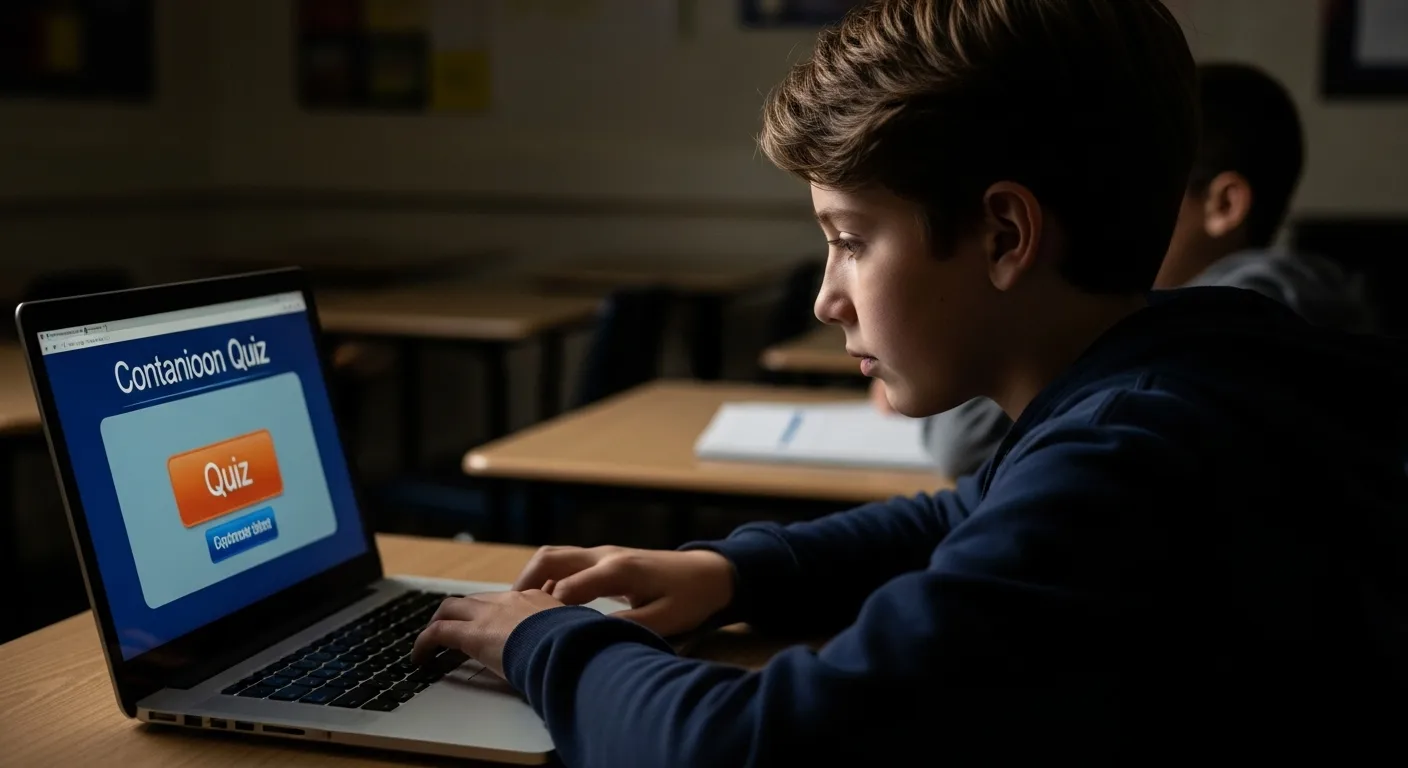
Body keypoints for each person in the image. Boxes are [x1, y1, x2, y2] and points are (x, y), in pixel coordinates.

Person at [411, 1, 1408, 764]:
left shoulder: (1126, 463)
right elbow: (960, 513)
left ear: (1005, 235)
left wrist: (545, 642)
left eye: (848, 240)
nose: (826, 298)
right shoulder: (1198, 357)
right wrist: (734, 572)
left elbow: (750, 747)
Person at [871, 61, 1379, 478]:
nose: (1114, 213)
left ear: (1224, 205)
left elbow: (967, 445)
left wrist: (941, 365)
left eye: (1148, 191)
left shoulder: (1243, 317)